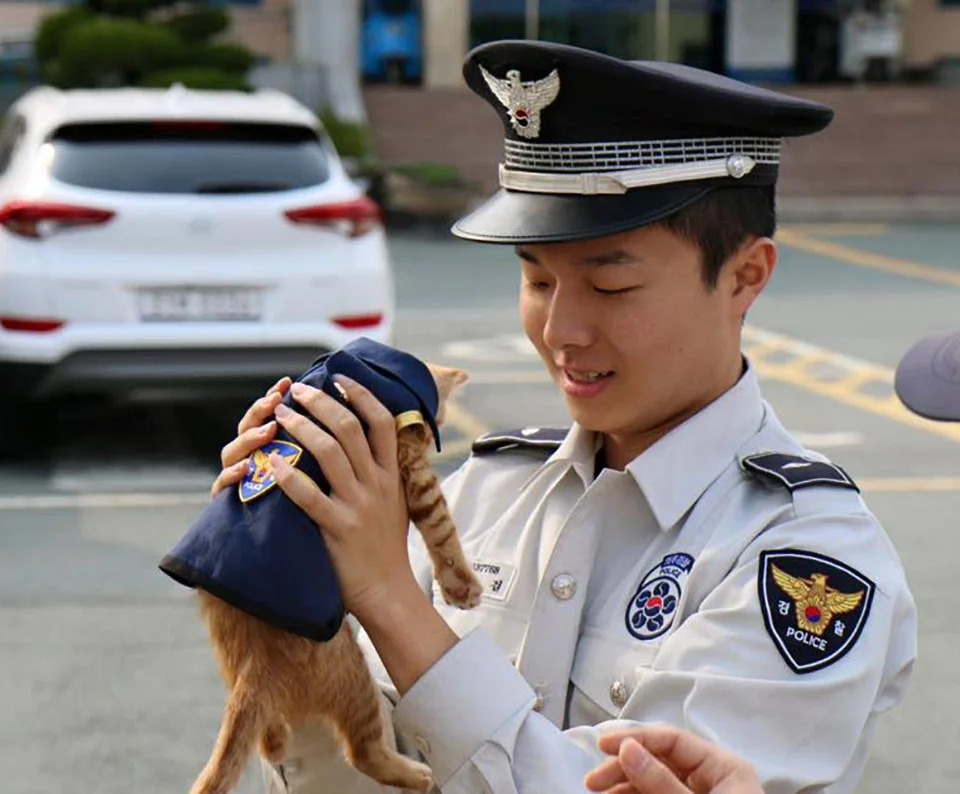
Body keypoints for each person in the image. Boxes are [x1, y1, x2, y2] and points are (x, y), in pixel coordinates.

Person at [210, 41, 917, 794]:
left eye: (610, 285)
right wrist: (298, 589)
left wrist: (391, 601)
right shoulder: (489, 490)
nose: (560, 331)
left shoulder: (806, 558)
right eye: (537, 278)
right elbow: (365, 778)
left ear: (746, 276)